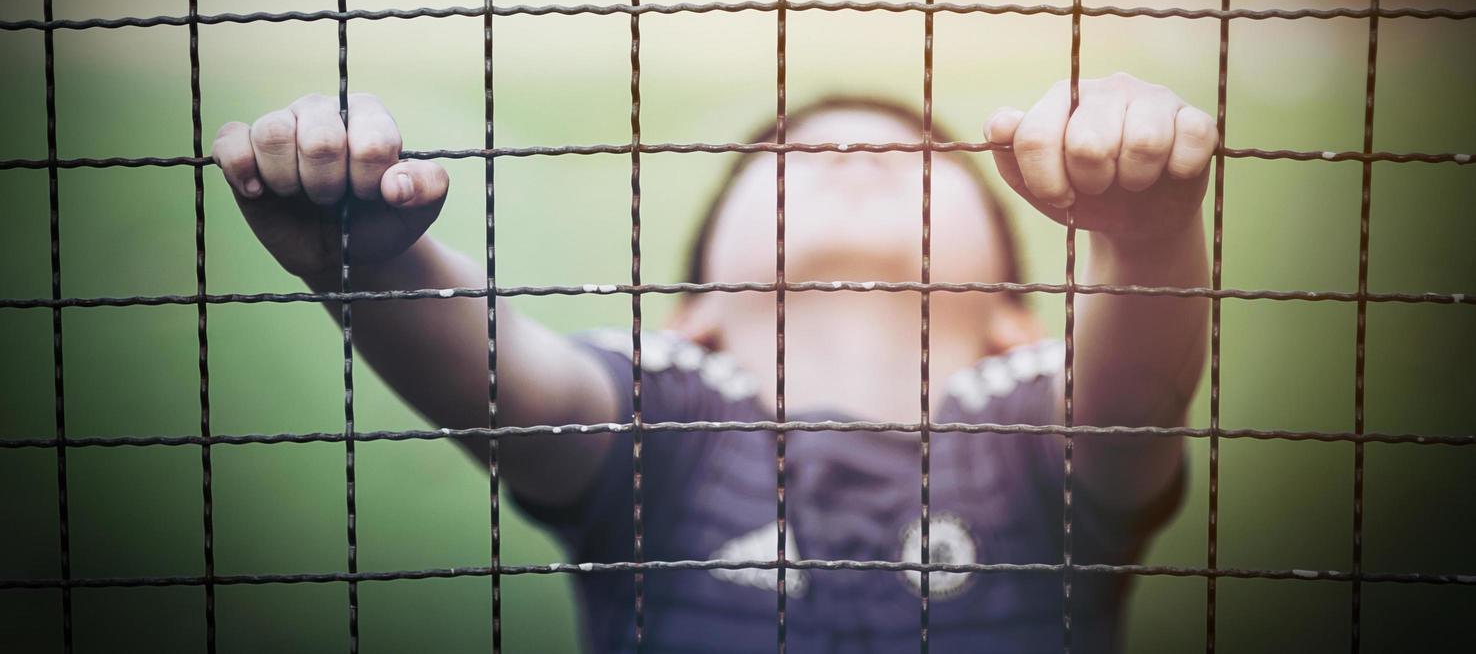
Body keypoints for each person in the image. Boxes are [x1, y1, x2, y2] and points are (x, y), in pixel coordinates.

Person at [211, 72, 1217, 653]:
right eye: (792, 155)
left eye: (914, 157)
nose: (851, 155)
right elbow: (493, 374)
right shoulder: (666, 421)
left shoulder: (1035, 424)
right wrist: (372, 266)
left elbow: (1136, 386)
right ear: (691, 315)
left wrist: (1148, 240)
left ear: (1016, 321)